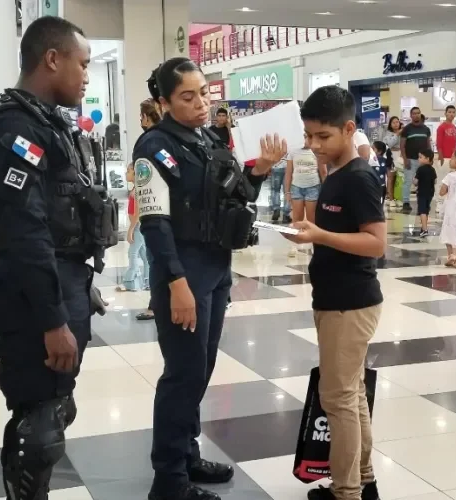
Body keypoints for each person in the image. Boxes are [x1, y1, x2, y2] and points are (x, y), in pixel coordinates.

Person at [0, 17, 116, 500]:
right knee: (40, 424)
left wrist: (80, 281)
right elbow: (24, 230)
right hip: (31, 295)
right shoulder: (15, 127)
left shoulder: (48, 122)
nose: (87, 75)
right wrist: (52, 319)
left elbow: (60, 215)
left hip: (59, 280)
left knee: (54, 405)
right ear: (52, 59)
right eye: (83, 64)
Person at [134, 57, 282, 500]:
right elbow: (155, 224)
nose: (201, 103)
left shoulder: (209, 139)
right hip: (182, 272)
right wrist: (176, 283)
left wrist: (260, 169)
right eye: (187, 96)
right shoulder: (153, 147)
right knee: (183, 375)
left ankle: (187, 454)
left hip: (215, 268)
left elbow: (236, 195)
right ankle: (169, 480)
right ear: (164, 103)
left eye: (203, 93)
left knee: (201, 370)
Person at [284, 85, 386, 500]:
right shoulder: (336, 174)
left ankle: (347, 493)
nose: (314, 145)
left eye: (323, 136)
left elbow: (376, 243)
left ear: (348, 129)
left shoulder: (358, 178)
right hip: (335, 299)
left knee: (338, 399)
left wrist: (321, 235)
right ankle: (364, 480)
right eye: (309, 136)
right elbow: (333, 233)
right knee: (351, 394)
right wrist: (308, 234)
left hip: (350, 302)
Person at [137, 98, 163, 321]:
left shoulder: (147, 142)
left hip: (155, 211)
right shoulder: (170, 138)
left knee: (156, 260)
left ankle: (155, 305)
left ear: (146, 117)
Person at [285, 133, 326, 256]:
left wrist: (326, 190)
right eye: (304, 137)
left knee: (311, 219)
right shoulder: (293, 151)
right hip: (296, 187)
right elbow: (288, 173)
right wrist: (287, 191)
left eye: (308, 137)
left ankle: (315, 246)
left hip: (313, 187)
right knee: (297, 218)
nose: (306, 140)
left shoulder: (317, 151)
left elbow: (323, 172)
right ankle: (294, 246)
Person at [118, 161, 150, 292]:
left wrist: (131, 229)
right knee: (144, 256)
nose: (126, 174)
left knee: (132, 253)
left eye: (128, 171)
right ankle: (148, 282)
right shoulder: (136, 189)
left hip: (137, 226)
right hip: (138, 226)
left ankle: (131, 282)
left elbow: (137, 212)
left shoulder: (137, 191)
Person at [399, 107, 431, 214]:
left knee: (423, 183)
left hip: (423, 161)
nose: (416, 115)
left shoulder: (426, 129)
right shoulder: (407, 129)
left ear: (420, 114)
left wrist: (430, 158)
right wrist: (405, 159)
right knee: (408, 182)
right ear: (411, 115)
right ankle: (406, 203)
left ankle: (422, 203)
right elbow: (402, 145)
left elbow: (428, 145)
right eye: (414, 113)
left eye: (418, 113)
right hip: (410, 160)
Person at [414, 149, 437, 237]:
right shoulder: (432, 169)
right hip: (430, 193)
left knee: (422, 211)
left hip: (422, 192)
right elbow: (435, 181)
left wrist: (414, 181)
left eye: (420, 157)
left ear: (427, 159)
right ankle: (424, 226)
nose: (418, 159)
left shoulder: (420, 169)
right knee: (426, 210)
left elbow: (416, 181)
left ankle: (424, 229)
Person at [383, 116, 402, 207]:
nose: (396, 124)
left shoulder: (403, 133)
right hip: (391, 156)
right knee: (391, 178)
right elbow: (390, 144)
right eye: (393, 122)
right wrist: (397, 134)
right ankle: (390, 198)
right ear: (390, 124)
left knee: (399, 178)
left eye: (397, 122)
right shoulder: (387, 134)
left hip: (400, 156)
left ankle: (397, 197)